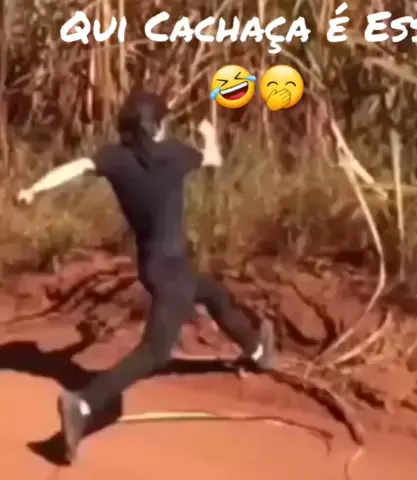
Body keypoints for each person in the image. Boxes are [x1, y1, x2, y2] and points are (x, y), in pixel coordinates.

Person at [16, 90, 275, 464]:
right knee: (155, 352)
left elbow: (74, 168)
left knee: (213, 293)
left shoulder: (116, 158)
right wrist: (208, 135)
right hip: (173, 272)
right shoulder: (175, 154)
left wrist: (33, 189)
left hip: (153, 266)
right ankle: (83, 403)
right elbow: (214, 161)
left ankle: (256, 349)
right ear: (156, 127)